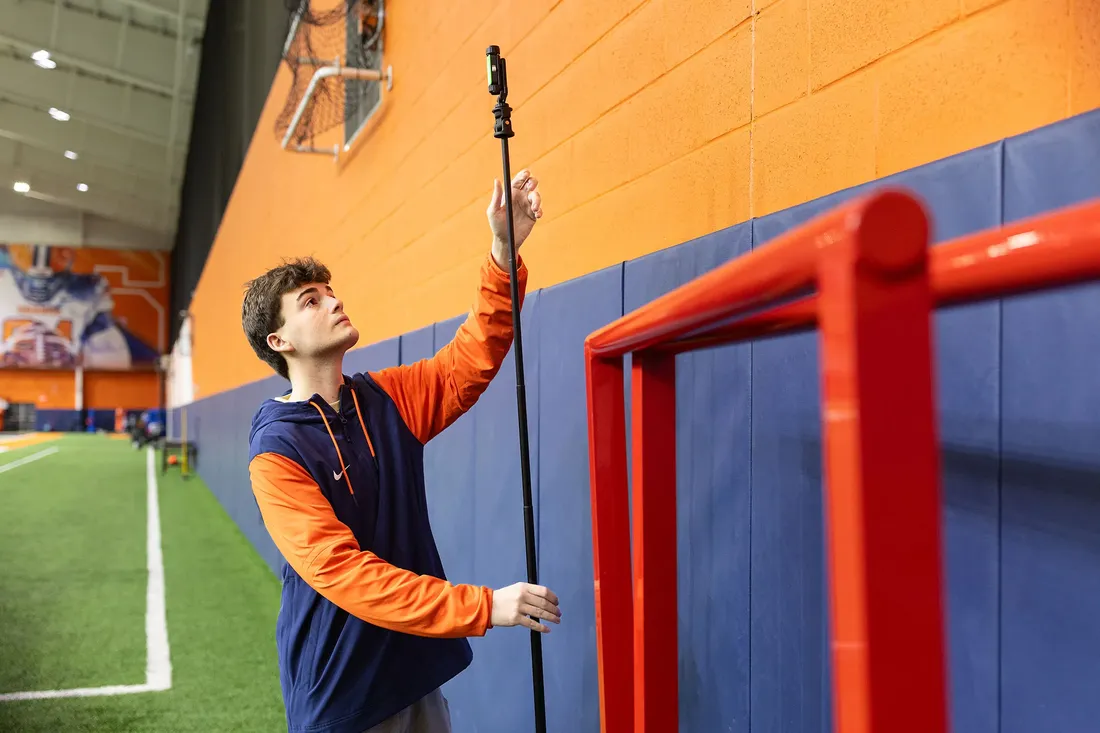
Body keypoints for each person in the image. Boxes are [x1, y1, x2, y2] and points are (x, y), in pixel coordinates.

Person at [242, 170, 560, 733]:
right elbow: (345, 574)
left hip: (413, 671)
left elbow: (473, 357)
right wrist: (484, 606)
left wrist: (504, 251)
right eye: (311, 301)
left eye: (331, 290)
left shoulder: (385, 398)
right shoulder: (276, 453)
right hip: (343, 694)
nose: (334, 301)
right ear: (279, 342)